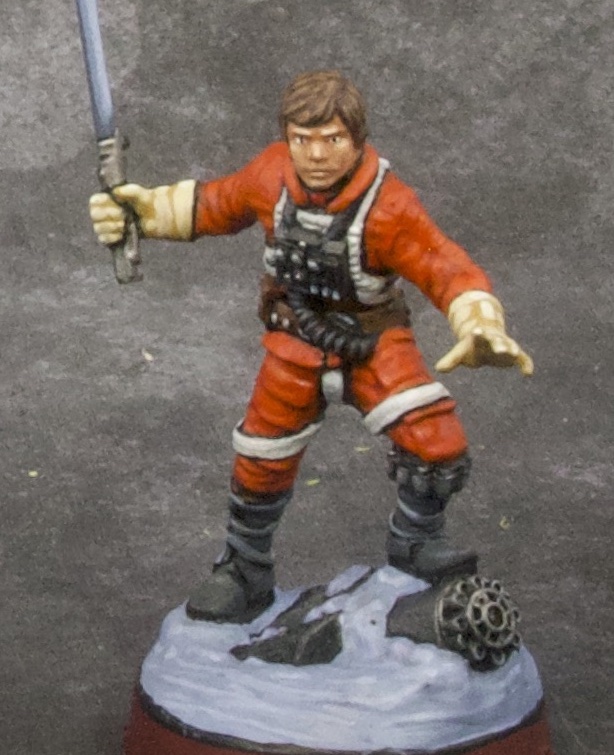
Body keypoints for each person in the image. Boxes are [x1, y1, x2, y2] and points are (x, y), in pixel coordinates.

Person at [89, 70, 533, 623]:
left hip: (372, 342)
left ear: (357, 139)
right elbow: (215, 204)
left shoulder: (388, 206)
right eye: (303, 139)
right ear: (287, 138)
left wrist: (478, 321)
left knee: (437, 441)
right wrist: (140, 213)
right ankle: (245, 567)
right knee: (260, 456)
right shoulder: (270, 176)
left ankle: (416, 541)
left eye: (332, 139)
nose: (316, 154)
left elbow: (442, 264)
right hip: (294, 345)